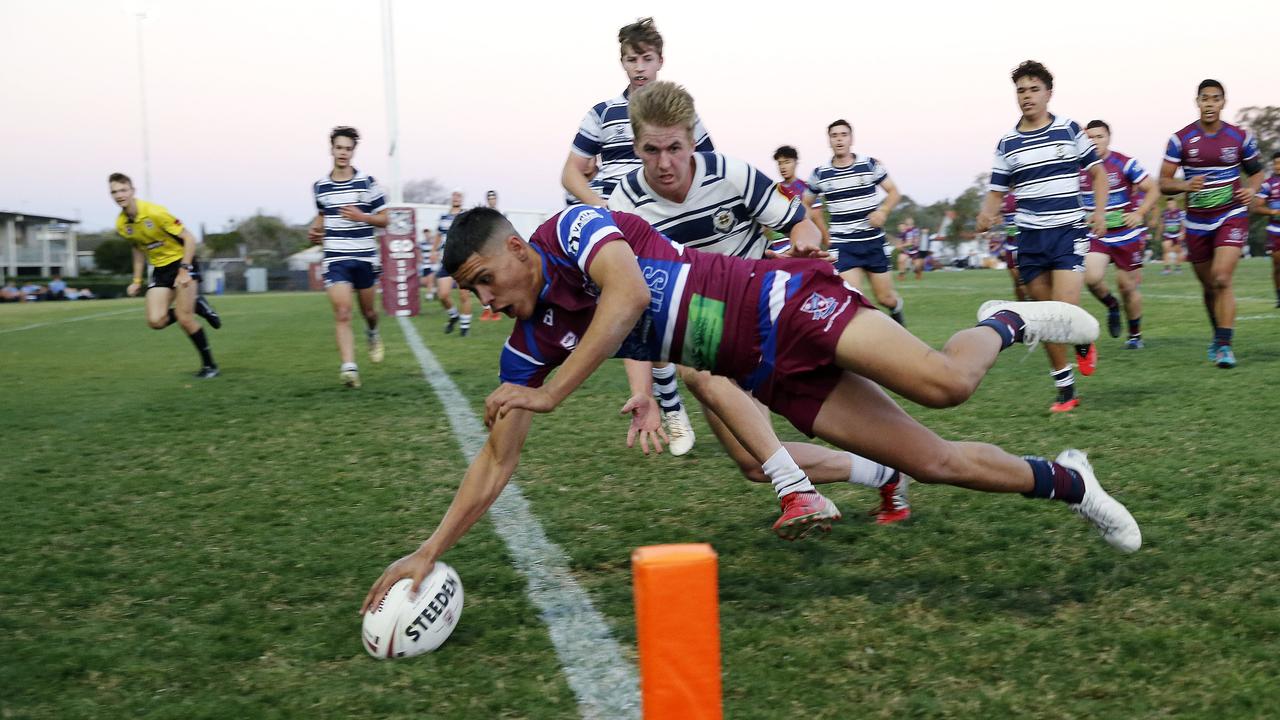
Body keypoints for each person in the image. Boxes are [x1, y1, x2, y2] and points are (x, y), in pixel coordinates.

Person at [360, 204, 1141, 612]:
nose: (485, 298)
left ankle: (1004, 320)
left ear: (516, 251)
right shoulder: (529, 346)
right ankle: (1071, 482)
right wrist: (430, 549)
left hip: (781, 305)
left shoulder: (565, 232)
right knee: (931, 461)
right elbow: (498, 461)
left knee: (947, 383)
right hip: (764, 371)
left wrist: (555, 391)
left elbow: (628, 294)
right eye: (471, 292)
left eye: (484, 279)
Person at [608, 81, 910, 527]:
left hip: (767, 316)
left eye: (674, 147)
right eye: (651, 150)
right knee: (754, 464)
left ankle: (801, 491)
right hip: (708, 331)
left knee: (697, 367)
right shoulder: (623, 207)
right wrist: (642, 391)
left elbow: (799, 223)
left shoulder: (731, 173)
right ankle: (884, 474)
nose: (665, 162)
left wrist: (804, 245)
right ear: (635, 146)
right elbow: (633, 306)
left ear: (693, 140)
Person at [560, 17, 715, 450]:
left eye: (647, 59)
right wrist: (602, 209)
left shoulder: (683, 113)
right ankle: (667, 404)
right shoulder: (603, 113)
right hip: (617, 227)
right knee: (631, 311)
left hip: (667, 224)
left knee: (667, 322)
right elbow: (571, 172)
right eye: (632, 59)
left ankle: (676, 397)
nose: (640, 67)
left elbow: (708, 168)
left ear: (661, 61)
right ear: (622, 62)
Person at [977, 60, 1107, 413]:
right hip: (1030, 240)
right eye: (1021, 90)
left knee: (1063, 311)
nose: (1027, 96)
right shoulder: (1007, 143)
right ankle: (1065, 390)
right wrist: (986, 214)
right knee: (1043, 319)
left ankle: (1081, 338)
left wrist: (1098, 212)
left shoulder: (1069, 130)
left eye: (1034, 89)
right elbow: (996, 190)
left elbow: (1098, 174)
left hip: (1068, 232)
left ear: (1049, 93)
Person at [1158, 79, 1265, 368]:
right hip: (1196, 223)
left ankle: (1226, 345)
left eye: (1215, 99)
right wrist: (1184, 186)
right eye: (1204, 99)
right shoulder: (1180, 139)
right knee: (1209, 287)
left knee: (1221, 278)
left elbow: (1256, 173)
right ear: (1197, 102)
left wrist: (1252, 189)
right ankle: (1218, 337)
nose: (1209, 104)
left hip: (1231, 215)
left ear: (1223, 102)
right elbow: (1164, 182)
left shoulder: (1238, 137)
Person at [109, 172, 222, 378]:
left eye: (123, 190)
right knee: (156, 321)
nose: (119, 195)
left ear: (132, 191)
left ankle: (210, 366)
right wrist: (136, 280)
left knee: (184, 319)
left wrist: (185, 269)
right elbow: (137, 249)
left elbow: (189, 238)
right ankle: (198, 304)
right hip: (160, 269)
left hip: (182, 262)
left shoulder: (155, 212)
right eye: (114, 192)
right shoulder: (121, 224)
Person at [307, 126, 388, 388]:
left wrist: (362, 216)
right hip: (335, 258)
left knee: (368, 312)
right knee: (343, 312)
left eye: (348, 148)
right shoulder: (320, 187)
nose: (343, 152)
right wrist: (316, 231)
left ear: (354, 151)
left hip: (364, 256)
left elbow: (386, 219)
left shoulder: (367, 182)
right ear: (331, 149)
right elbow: (322, 216)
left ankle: (373, 332)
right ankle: (349, 368)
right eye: (339, 147)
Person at [805, 119, 906, 324]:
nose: (839, 139)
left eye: (843, 135)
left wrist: (883, 210)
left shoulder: (868, 165)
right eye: (834, 136)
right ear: (829, 141)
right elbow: (805, 204)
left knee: (885, 298)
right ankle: (865, 345)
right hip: (844, 245)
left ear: (851, 139)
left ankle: (897, 312)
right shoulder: (820, 174)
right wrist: (817, 230)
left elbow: (894, 192)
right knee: (852, 301)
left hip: (872, 241)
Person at [1079, 120, 1159, 350]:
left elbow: (1152, 189)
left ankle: (1135, 335)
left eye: (1099, 137)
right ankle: (1112, 305)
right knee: (1092, 278)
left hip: (1126, 236)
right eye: (1090, 137)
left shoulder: (1125, 163)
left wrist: (1140, 212)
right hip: (1097, 235)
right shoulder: (1077, 168)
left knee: (1127, 287)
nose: (1094, 142)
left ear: (1108, 138)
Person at [430, 191, 474, 336]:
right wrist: (433, 251)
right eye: (454, 196)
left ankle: (464, 328)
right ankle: (454, 316)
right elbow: (438, 235)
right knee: (443, 295)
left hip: (463, 261)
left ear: (462, 199)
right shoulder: (443, 217)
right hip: (446, 261)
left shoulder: (466, 216)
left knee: (464, 296)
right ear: (451, 198)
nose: (456, 198)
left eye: (459, 196)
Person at [773, 145, 827, 255]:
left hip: (801, 248)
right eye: (780, 163)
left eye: (787, 162)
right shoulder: (773, 191)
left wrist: (828, 242)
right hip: (777, 250)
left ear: (795, 162)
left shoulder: (808, 189)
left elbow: (818, 219)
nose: (783, 167)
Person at [1251, 152, 1280, 308]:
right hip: (1275, 230)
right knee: (1277, 265)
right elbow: (1257, 207)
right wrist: (1273, 212)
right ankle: (1279, 295)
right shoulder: (1268, 184)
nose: (1278, 166)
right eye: (1276, 163)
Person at [995, 194, 1029, 300]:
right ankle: (1022, 306)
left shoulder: (1025, 195)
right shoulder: (1001, 199)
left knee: (1026, 282)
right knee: (1018, 282)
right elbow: (997, 220)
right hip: (1011, 246)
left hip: (1025, 245)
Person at [1160, 197, 1187, 275]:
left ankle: (1178, 268)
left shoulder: (1181, 212)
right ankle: (1166, 269)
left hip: (1177, 234)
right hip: (1167, 234)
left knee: (1178, 251)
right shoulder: (1164, 212)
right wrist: (1160, 233)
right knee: (1165, 249)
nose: (1169, 205)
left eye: (1171, 203)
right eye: (1168, 203)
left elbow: (1183, 224)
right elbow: (1162, 223)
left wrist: (1183, 233)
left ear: (1175, 203)